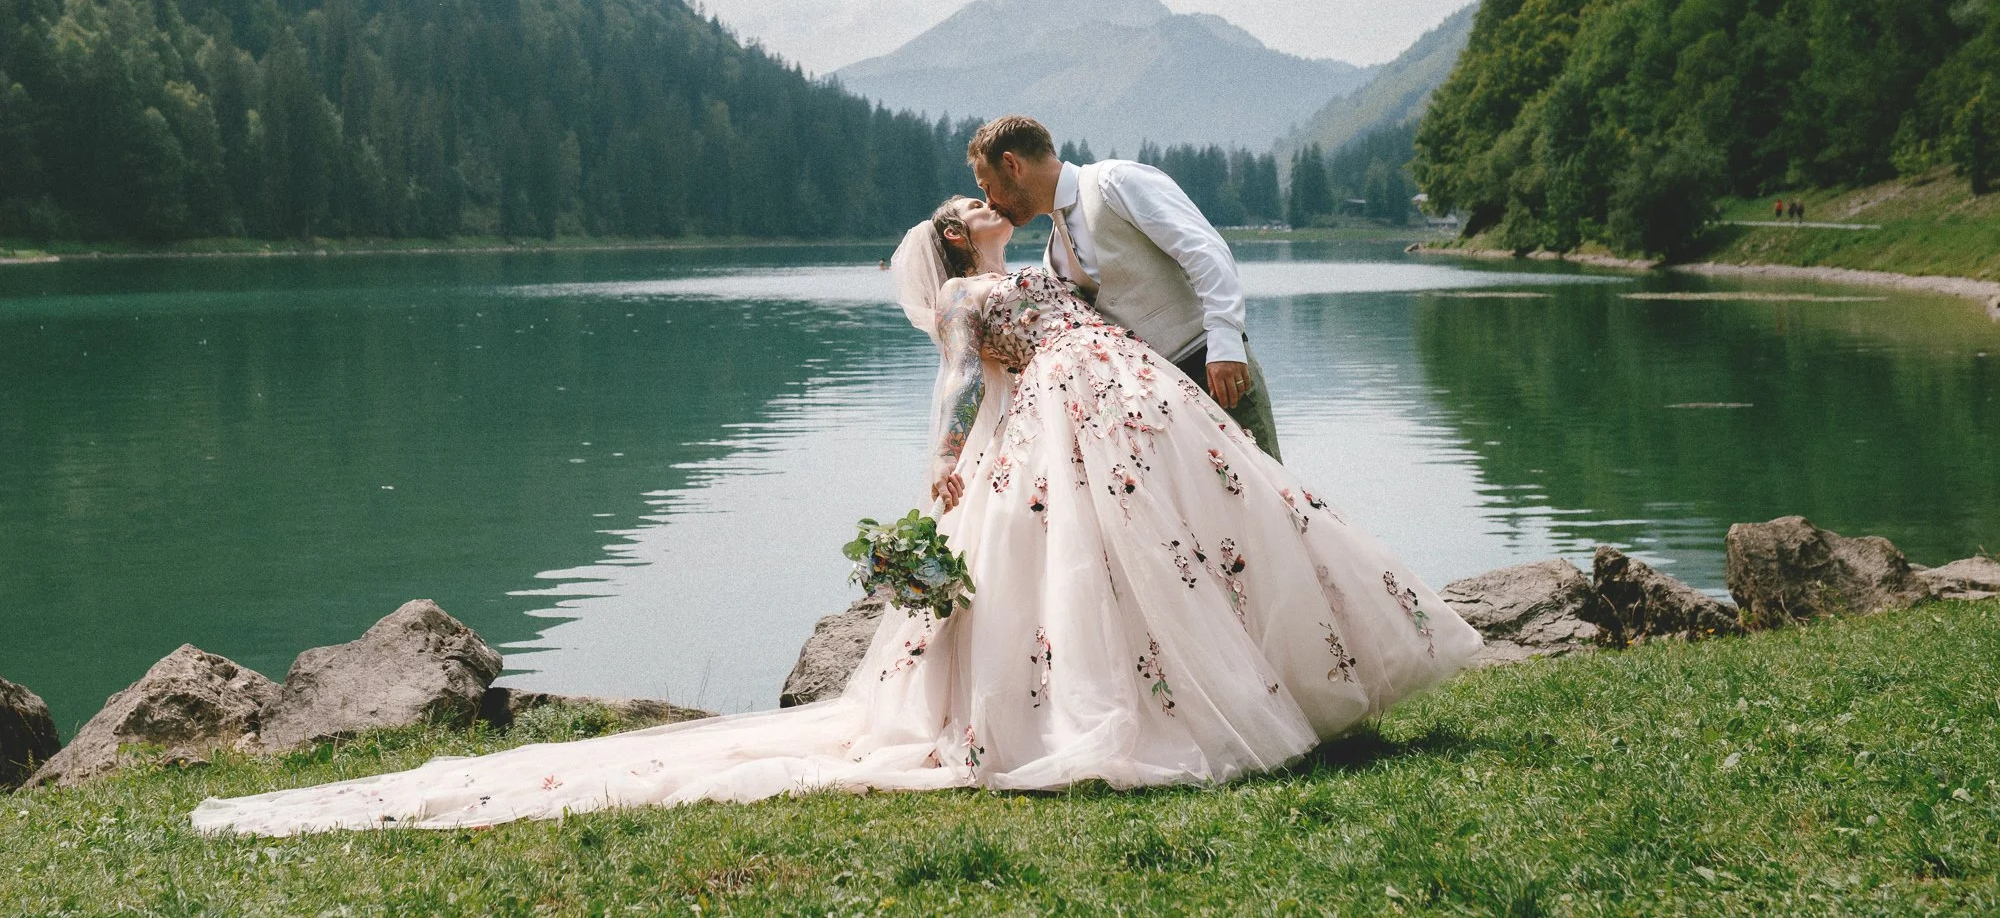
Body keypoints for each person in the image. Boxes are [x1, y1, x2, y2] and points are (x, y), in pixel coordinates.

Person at [191, 198, 1478, 835]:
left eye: (975, 203)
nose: (976, 210)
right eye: (961, 215)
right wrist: (942, 464)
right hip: (1045, 441)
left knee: (1181, 553)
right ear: (953, 246)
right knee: (1072, 584)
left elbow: (1087, 307)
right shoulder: (969, 299)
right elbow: (957, 384)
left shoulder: (1042, 263)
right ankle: (1112, 717)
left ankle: (1229, 686)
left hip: (1119, 424)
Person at [966, 115, 1282, 459]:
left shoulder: (1115, 181)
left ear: (1011, 164)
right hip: (1153, 402)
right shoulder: (1054, 253)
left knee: (1267, 488)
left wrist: (1225, 342)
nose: (989, 201)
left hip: (1213, 368)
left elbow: (1203, 250)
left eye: (987, 186)